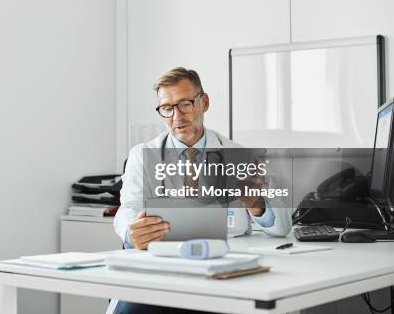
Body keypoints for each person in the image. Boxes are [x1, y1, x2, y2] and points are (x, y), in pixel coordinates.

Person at [112, 67, 292, 314]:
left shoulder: (241, 155)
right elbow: (128, 209)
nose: (177, 116)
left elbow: (281, 228)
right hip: (164, 264)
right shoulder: (142, 155)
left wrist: (257, 204)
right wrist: (133, 233)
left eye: (185, 104)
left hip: (222, 266)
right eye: (167, 108)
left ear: (203, 102)